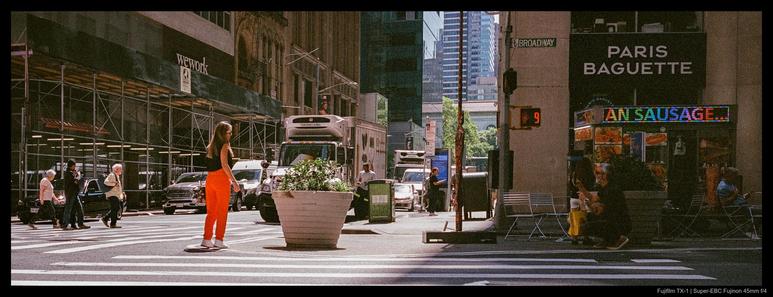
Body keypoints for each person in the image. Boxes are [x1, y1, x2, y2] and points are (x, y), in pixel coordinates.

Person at [200, 121, 241, 249]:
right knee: (222, 211)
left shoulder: (210, 147)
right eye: (229, 132)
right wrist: (234, 181)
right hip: (221, 179)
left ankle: (207, 239)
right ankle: (219, 240)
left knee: (211, 212)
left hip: (210, 179)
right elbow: (225, 165)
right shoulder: (224, 145)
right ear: (223, 134)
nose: (231, 135)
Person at [577, 163, 631, 250]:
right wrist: (582, 188)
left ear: (605, 175)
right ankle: (608, 239)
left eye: (598, 173)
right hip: (611, 220)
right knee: (589, 218)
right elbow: (593, 198)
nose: (596, 175)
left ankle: (618, 238)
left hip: (618, 223)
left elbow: (598, 210)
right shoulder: (604, 188)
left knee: (586, 227)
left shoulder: (612, 189)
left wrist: (588, 203)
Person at [61, 159, 90, 230]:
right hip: (71, 193)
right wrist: (78, 176)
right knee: (68, 209)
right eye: (74, 165)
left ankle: (77, 224)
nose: (75, 167)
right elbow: (75, 181)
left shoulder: (72, 172)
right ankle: (65, 224)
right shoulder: (68, 173)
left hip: (75, 193)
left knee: (77, 209)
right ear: (72, 166)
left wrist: (77, 175)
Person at [101, 163, 125, 228]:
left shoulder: (116, 176)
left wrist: (121, 194)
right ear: (116, 169)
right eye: (120, 169)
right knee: (115, 208)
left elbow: (118, 187)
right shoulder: (112, 175)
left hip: (115, 195)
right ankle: (112, 224)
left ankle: (106, 219)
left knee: (116, 208)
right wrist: (114, 184)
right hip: (112, 195)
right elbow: (106, 182)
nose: (121, 170)